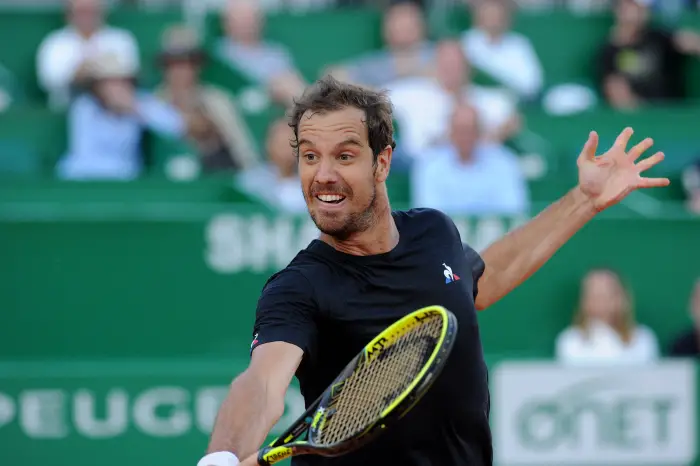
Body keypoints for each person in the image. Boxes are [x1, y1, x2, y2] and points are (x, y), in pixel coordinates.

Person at [198, 76, 669, 466]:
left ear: (382, 161)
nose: (322, 174)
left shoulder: (433, 231)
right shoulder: (298, 287)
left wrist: (583, 200)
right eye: (309, 156)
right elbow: (261, 383)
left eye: (344, 155)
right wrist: (222, 455)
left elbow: (479, 282)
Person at [555, 268, 659, 366]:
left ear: (623, 298)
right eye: (595, 295)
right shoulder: (570, 341)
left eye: (608, 294)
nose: (601, 301)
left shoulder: (643, 339)